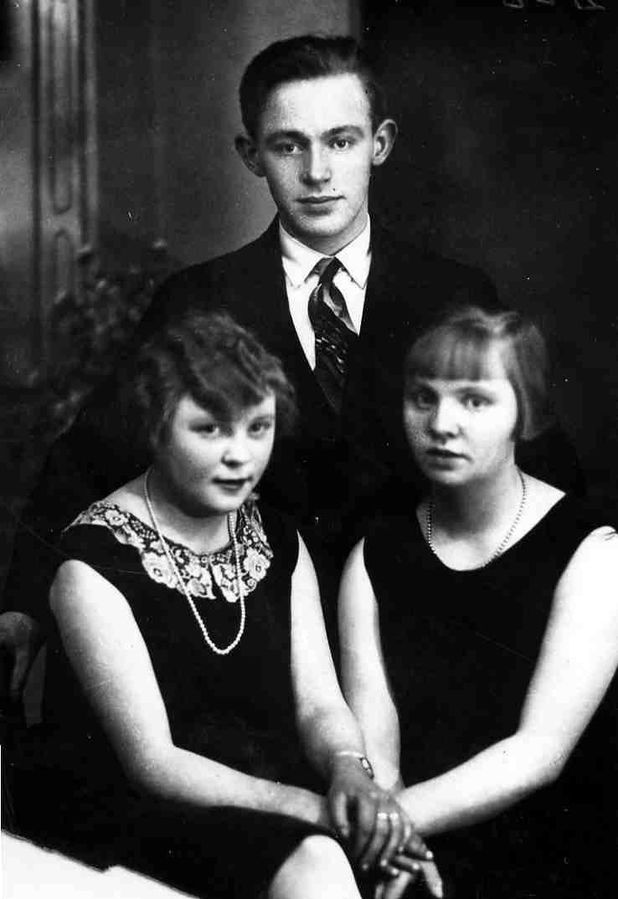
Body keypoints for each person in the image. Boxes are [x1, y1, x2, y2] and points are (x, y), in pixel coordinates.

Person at [0, 35, 579, 714]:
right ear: (252, 155)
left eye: (341, 141)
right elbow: (91, 457)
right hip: (261, 647)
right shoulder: (200, 299)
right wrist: (22, 607)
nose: (317, 172)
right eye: (288, 146)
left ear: (380, 144)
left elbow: (537, 465)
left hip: (422, 635)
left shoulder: (452, 293)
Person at [7, 310, 443, 899]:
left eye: (258, 428)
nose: (241, 455)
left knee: (395, 870)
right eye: (210, 430)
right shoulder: (90, 565)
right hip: (142, 818)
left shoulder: (278, 538)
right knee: (320, 862)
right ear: (155, 429)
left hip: (270, 797)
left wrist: (352, 776)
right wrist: (323, 815)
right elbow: (154, 764)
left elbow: (320, 704)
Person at [338, 305, 618, 898]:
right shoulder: (373, 557)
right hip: (416, 850)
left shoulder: (595, 552)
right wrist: (394, 843)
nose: (442, 424)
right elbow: (377, 752)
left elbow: (538, 752)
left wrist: (392, 826)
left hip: (559, 851)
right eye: (423, 398)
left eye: (474, 400)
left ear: (526, 413)